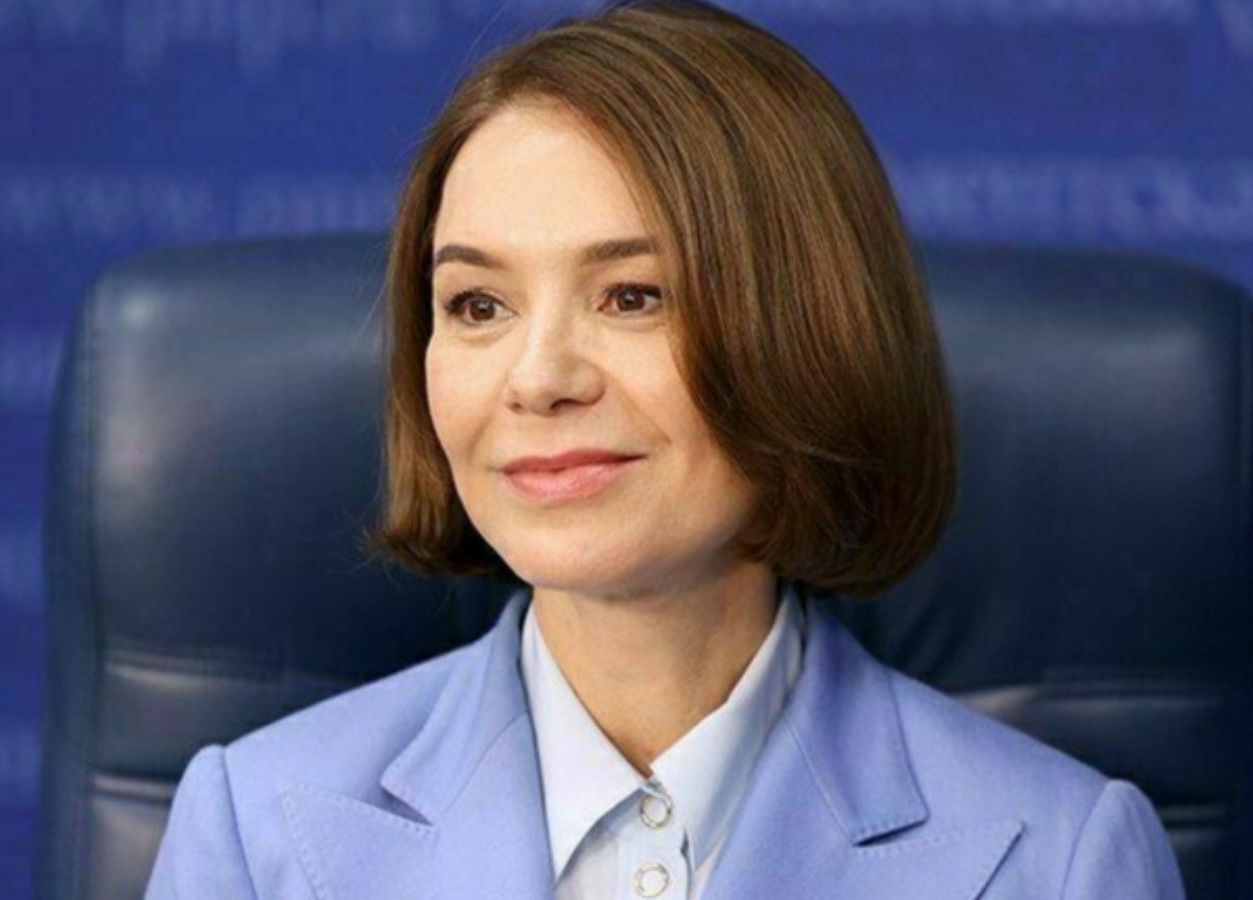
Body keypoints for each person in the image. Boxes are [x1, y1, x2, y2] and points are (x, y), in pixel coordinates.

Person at [144, 2, 1186, 898]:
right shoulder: (253, 835)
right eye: (477, 305)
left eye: (632, 296)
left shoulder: (1062, 860)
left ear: (808, 332)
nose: (538, 378)